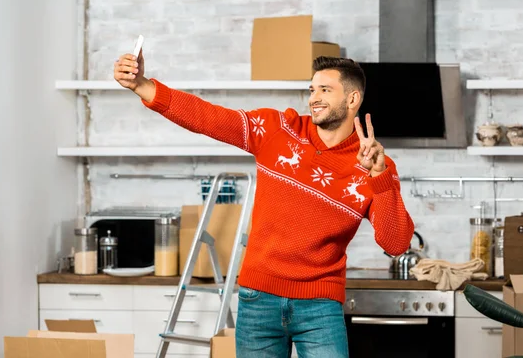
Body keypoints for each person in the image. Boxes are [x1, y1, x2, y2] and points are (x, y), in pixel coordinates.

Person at [114, 50, 415, 358]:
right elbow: (208, 117)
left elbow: (395, 243)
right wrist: (142, 86)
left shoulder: (375, 165)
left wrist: (380, 176)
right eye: (312, 90)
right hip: (259, 299)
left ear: (352, 100)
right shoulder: (277, 130)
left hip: (320, 306)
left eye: (326, 90)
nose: (315, 98)